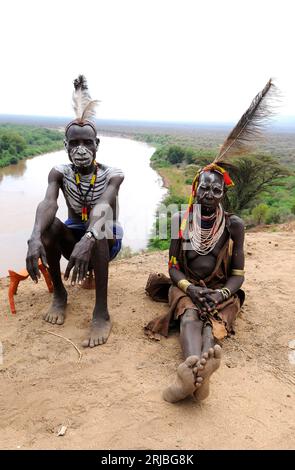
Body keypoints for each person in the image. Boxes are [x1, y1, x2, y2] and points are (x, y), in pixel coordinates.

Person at [145, 79, 276, 402]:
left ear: (223, 193)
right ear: (195, 189)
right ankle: (194, 371)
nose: (209, 194)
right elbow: (173, 269)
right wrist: (191, 288)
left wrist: (220, 293)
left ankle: (194, 375)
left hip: (221, 290)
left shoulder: (234, 225)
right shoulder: (180, 220)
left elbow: (238, 275)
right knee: (190, 313)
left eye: (216, 190)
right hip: (187, 286)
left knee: (211, 319)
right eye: (203, 188)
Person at [26, 76, 124, 348]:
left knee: (101, 229)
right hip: (73, 238)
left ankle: (101, 312)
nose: (81, 149)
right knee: (49, 227)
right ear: (66, 145)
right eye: (75, 143)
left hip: (105, 241)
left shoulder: (113, 174)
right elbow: (48, 204)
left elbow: (104, 206)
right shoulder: (59, 172)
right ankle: (59, 294)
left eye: (88, 143)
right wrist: (35, 236)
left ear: (97, 145)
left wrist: (90, 237)